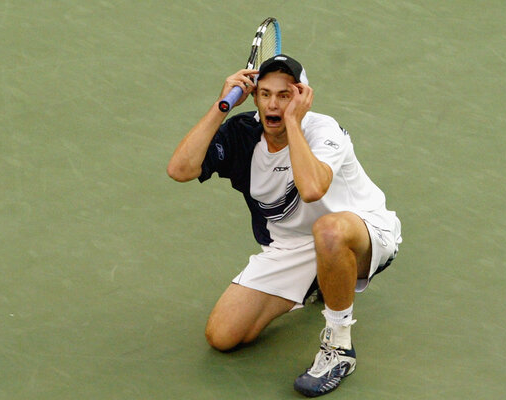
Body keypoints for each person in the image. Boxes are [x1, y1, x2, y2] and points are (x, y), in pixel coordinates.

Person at [166, 54, 402, 397]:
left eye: (285, 94)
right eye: (265, 94)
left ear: (302, 96)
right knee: (223, 335)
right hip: (292, 247)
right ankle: (324, 280)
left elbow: (311, 189)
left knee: (328, 232)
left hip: (363, 232)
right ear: (255, 96)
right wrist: (221, 108)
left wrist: (294, 122)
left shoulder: (324, 131)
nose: (273, 104)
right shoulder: (243, 135)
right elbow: (180, 170)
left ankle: (339, 348)